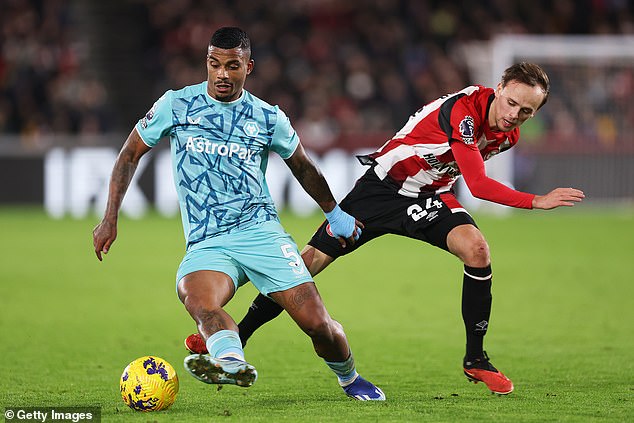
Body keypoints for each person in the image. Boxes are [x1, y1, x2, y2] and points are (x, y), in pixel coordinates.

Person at [185, 62, 585, 395]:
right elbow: (478, 185)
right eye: (512, 102)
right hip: (382, 190)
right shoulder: (465, 112)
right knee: (304, 267)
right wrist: (536, 200)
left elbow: (456, 174)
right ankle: (238, 335)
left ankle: (476, 359)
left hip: (429, 195)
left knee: (477, 250)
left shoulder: (507, 134)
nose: (514, 115)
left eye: (526, 112)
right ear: (498, 88)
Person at [93, 27, 385, 401]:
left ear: (249, 66)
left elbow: (303, 167)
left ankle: (350, 378)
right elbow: (130, 153)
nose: (222, 75)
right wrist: (110, 217)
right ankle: (230, 362)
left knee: (317, 325)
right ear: (207, 63)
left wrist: (335, 213)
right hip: (209, 242)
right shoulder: (176, 105)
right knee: (198, 299)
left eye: (233, 66)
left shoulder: (267, 117)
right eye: (215, 64)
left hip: (262, 234)